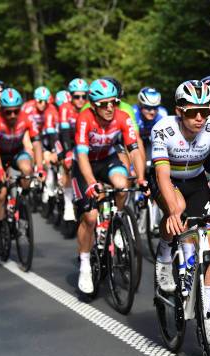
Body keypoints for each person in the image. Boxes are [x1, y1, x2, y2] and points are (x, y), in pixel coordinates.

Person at [151, 79, 210, 344]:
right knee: (180, 213)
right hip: (167, 178)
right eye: (192, 111)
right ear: (179, 111)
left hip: (195, 180)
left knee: (209, 241)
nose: (199, 117)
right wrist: (173, 211)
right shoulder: (163, 129)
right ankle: (164, 252)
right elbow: (161, 174)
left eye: (205, 111)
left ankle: (205, 315)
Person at [72, 79, 147, 295]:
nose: (109, 108)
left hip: (107, 159)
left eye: (112, 103)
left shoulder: (123, 117)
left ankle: (117, 220)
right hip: (85, 165)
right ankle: (85, 264)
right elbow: (82, 156)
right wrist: (92, 182)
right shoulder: (84, 119)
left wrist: (141, 177)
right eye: (103, 104)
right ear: (93, 106)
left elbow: (133, 149)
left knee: (122, 186)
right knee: (90, 217)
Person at [0, 88, 43, 255]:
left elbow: (37, 144)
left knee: (27, 169)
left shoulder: (27, 119)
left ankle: (22, 200)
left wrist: (39, 167)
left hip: (17, 152)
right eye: (8, 112)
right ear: (2, 110)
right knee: (1, 194)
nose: (12, 115)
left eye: (15, 111)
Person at [22, 86, 61, 204]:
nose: (43, 104)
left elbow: (55, 132)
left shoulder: (52, 109)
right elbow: (23, 129)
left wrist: (54, 149)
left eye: (45, 101)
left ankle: (48, 182)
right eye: (40, 101)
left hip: (44, 135)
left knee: (49, 156)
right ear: (35, 100)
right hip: (29, 133)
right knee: (29, 149)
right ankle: (32, 171)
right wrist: (28, 146)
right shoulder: (27, 108)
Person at [58, 78, 89, 224]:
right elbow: (63, 133)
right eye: (77, 96)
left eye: (84, 96)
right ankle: (68, 204)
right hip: (64, 140)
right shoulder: (65, 108)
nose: (81, 100)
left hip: (81, 141)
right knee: (68, 165)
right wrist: (67, 153)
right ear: (71, 96)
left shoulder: (89, 107)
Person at [133, 87, 167, 161]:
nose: (152, 112)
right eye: (148, 108)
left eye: (155, 108)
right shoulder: (133, 113)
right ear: (140, 106)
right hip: (137, 140)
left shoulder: (162, 113)